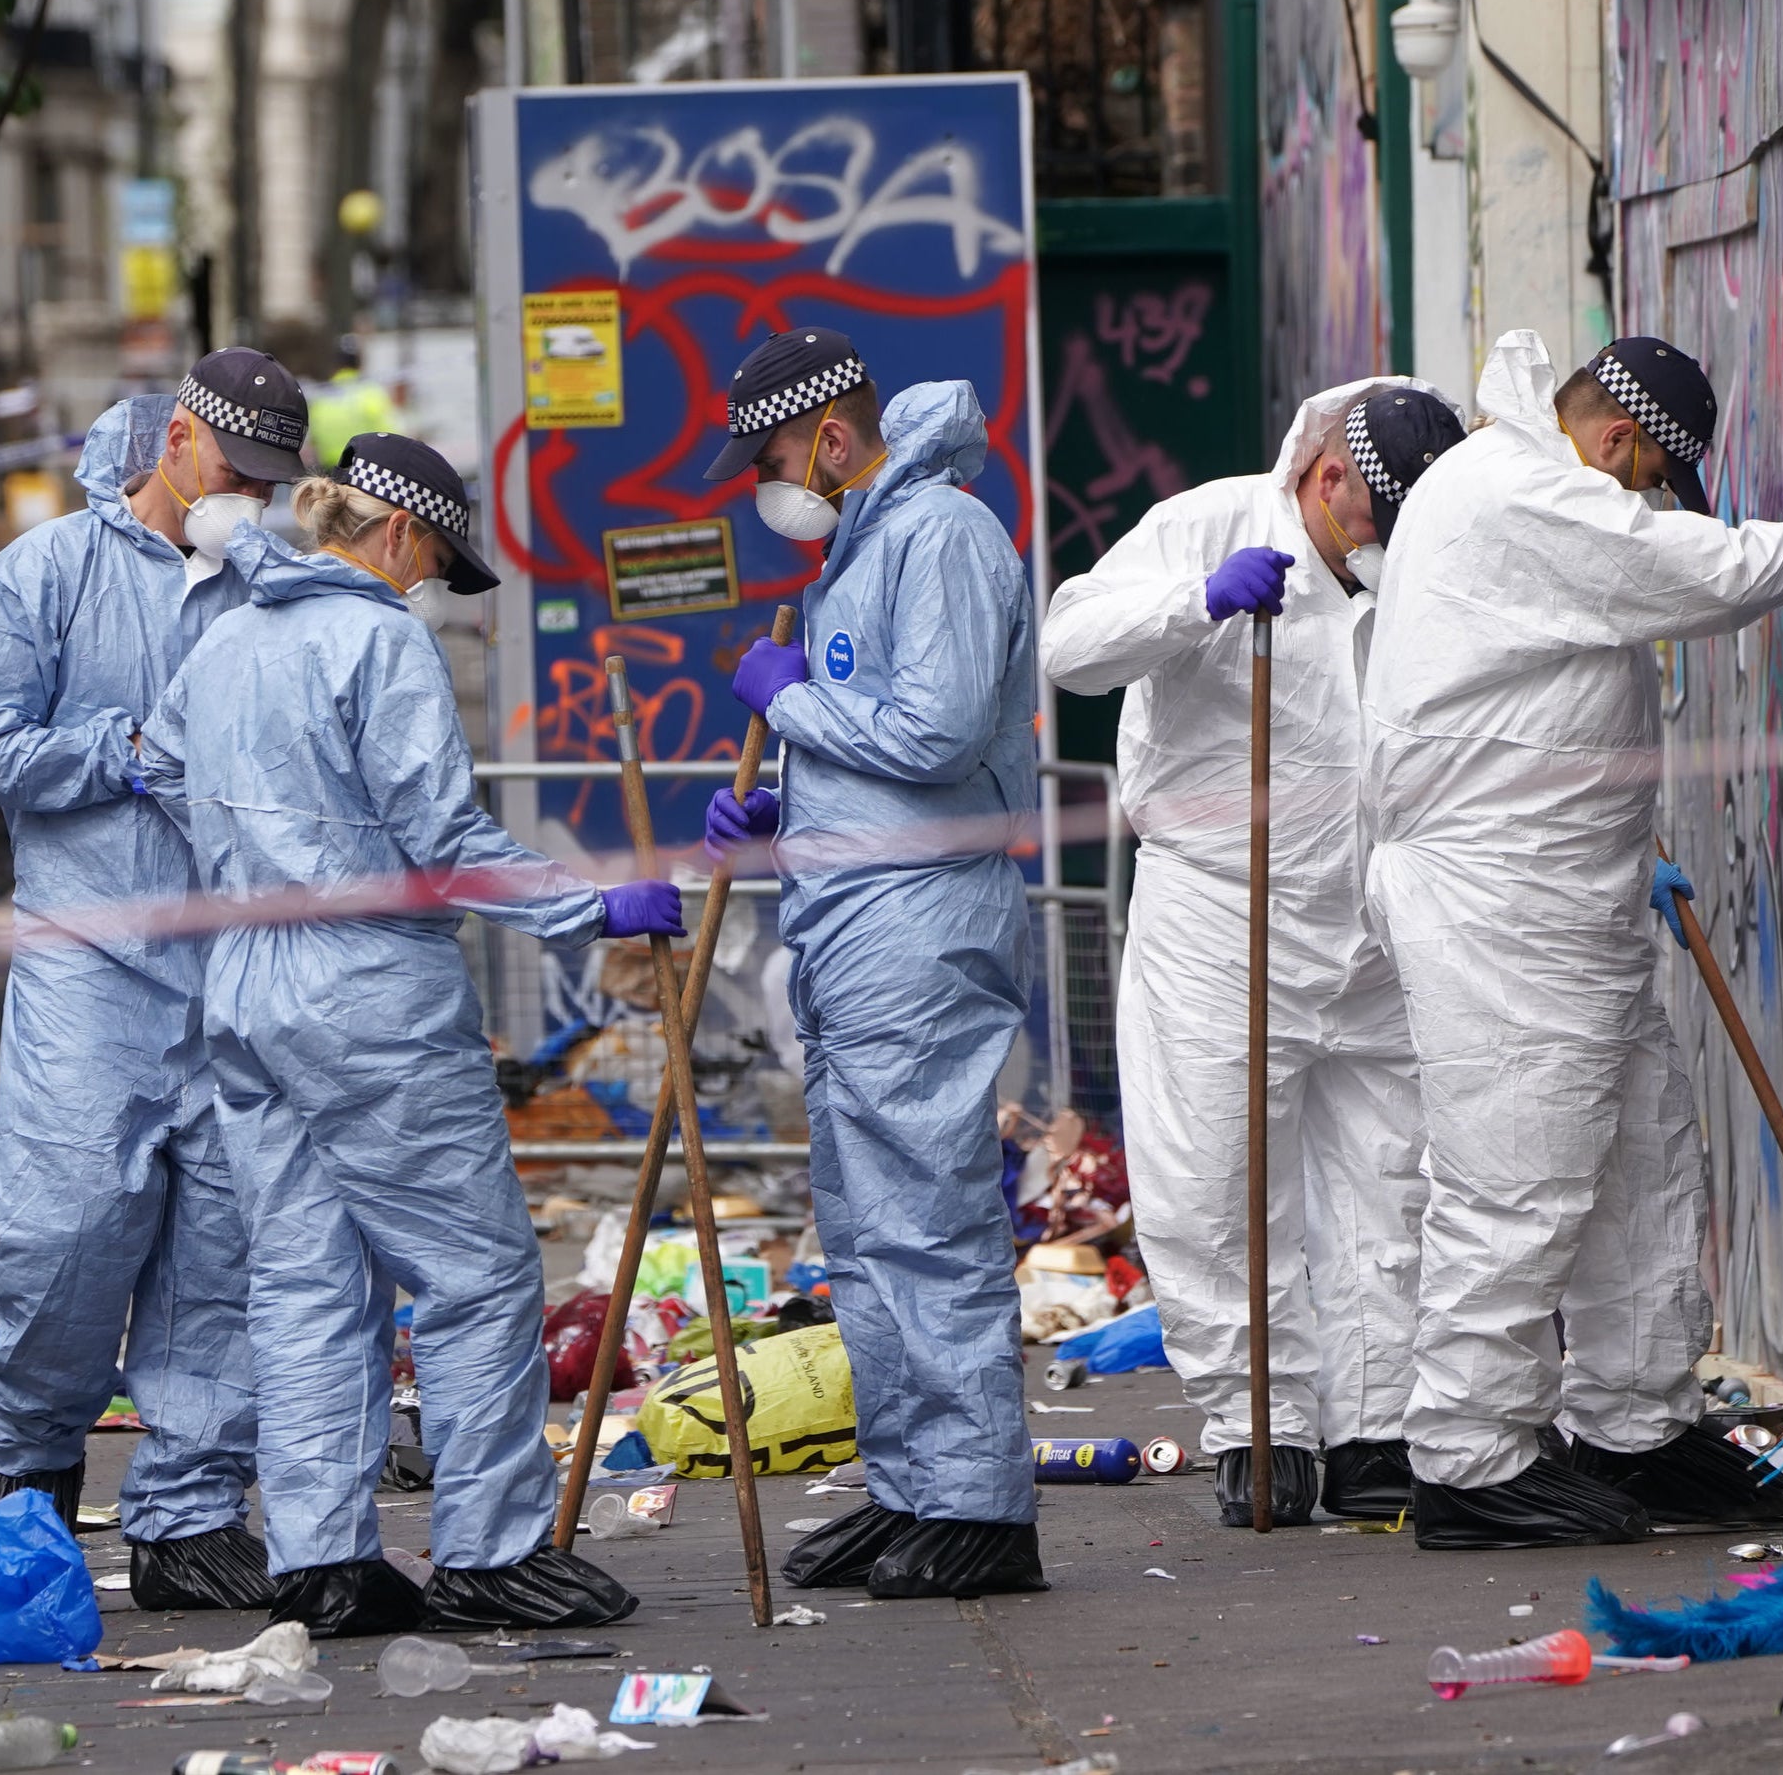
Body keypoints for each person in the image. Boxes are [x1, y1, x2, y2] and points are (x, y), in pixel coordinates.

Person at [149, 432, 683, 1637]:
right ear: (395, 532)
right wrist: (593, 903)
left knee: (302, 1279)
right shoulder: (378, 637)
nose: (430, 586)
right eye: (436, 561)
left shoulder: (225, 632)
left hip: (247, 984)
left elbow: (161, 765)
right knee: (476, 1270)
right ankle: (491, 1547)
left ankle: (321, 1557)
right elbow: (445, 845)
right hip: (364, 994)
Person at [1363, 330, 1783, 1550]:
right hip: (1503, 899)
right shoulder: (1523, 490)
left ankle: (1638, 1421)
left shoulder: (1521, 479)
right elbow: (1690, 575)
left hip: (1567, 890)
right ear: (1617, 439)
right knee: (1519, 1169)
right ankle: (1469, 1455)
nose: (1645, 498)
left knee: (1639, 1168)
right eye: (1650, 478)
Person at [1041, 378, 1465, 1528]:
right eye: (1378, 516)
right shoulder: (1207, 524)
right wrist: (1194, 605)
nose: (1387, 542)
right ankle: (1258, 1420)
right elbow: (1069, 645)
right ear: (1328, 479)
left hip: (1369, 917)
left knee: (1390, 1175)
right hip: (1222, 916)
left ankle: (1378, 1424)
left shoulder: (1420, 554)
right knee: (1216, 1176)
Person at [0, 349, 310, 1610]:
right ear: (178, 441)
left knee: (223, 1242)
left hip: (237, 958)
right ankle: (30, 1466)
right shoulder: (45, 573)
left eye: (273, 479)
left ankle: (190, 1513)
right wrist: (124, 752)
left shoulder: (273, 588)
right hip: (90, 953)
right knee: (69, 1222)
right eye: (238, 468)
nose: (250, 495)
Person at [697, 329, 1047, 1600]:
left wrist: (786, 703)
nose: (766, 483)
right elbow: (878, 752)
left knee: (926, 1217)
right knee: (862, 1223)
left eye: (773, 457)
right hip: (853, 921)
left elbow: (940, 731)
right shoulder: (866, 542)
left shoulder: (938, 535)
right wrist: (786, 812)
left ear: (833, 440)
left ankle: (976, 1501)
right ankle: (913, 1480)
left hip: (915, 924)